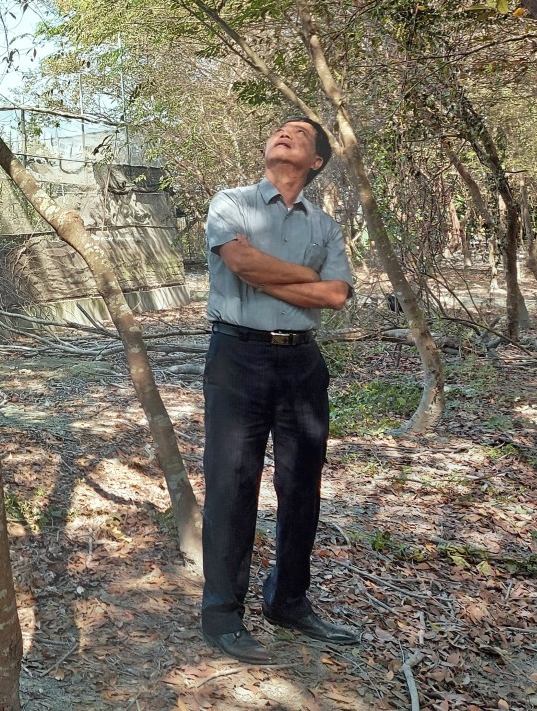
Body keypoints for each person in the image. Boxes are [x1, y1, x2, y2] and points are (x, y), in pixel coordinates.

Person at [200, 116, 360, 665]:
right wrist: (304, 278)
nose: (284, 133)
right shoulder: (232, 203)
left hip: (302, 363)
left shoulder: (325, 226)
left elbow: (337, 295)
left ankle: (288, 602)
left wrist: (269, 275)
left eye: (300, 134)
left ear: (316, 162)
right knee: (231, 484)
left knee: (301, 488)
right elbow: (239, 262)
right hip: (236, 356)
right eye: (279, 129)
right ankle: (223, 615)